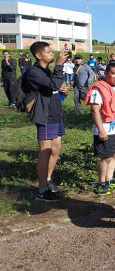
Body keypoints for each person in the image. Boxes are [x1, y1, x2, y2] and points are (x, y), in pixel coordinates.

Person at [24, 41, 69, 202]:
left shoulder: (47, 71)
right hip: (45, 116)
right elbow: (53, 84)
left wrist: (63, 90)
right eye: (48, 51)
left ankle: (48, 179)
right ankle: (42, 190)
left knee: (55, 149)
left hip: (56, 114)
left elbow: (54, 87)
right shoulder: (34, 72)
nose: (52, 53)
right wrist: (59, 65)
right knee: (45, 151)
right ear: (38, 55)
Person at [85, 63, 115, 195]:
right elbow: (94, 110)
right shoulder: (99, 89)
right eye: (113, 73)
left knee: (113, 157)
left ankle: (109, 180)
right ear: (106, 73)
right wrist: (101, 130)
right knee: (106, 158)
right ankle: (101, 183)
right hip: (105, 130)